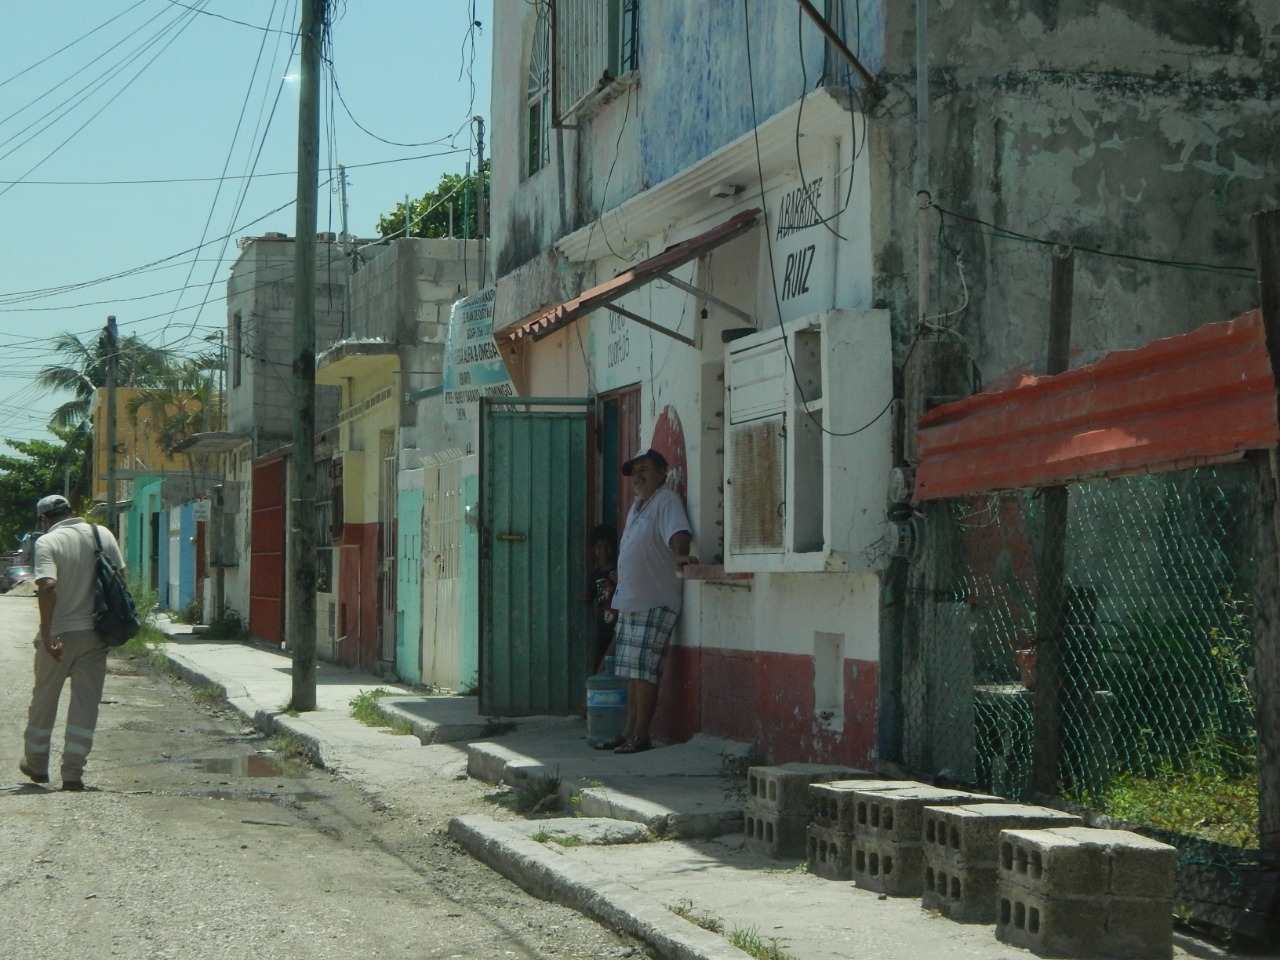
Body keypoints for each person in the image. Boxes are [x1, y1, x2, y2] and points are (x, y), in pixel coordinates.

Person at [18, 494, 125, 792]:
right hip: (96, 634)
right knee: (85, 705)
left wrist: (47, 632)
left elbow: (47, 587)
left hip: (60, 636)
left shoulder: (47, 543)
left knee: (44, 700)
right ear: (71, 511)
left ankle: (37, 765)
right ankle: (73, 773)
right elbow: (120, 580)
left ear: (45, 519)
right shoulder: (102, 534)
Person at [597, 449, 696, 754]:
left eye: (645, 469)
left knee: (644, 671)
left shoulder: (666, 501)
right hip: (632, 601)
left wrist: (680, 554)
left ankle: (642, 735)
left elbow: (678, 534)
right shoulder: (640, 505)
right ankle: (628, 731)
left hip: (654, 600)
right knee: (631, 672)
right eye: (634, 470)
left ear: (662, 472)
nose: (637, 475)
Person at [588, 524, 618, 672]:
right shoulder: (595, 575)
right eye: (599, 547)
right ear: (593, 550)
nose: (603, 551)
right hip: (603, 627)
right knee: (600, 660)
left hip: (617, 624)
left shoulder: (619, 571)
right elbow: (590, 594)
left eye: (607, 546)